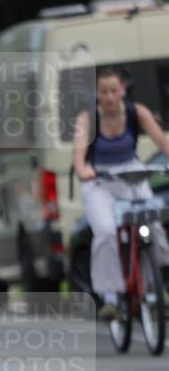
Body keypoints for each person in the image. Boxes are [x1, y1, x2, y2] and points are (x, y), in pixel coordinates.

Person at [72, 65, 169, 319]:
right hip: (100, 180)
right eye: (104, 92)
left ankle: (157, 281)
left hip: (131, 175)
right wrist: (84, 171)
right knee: (105, 232)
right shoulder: (87, 118)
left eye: (114, 90)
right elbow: (79, 157)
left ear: (123, 90)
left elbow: (161, 141)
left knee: (154, 224)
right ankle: (111, 298)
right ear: (96, 92)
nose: (110, 97)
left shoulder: (136, 112)